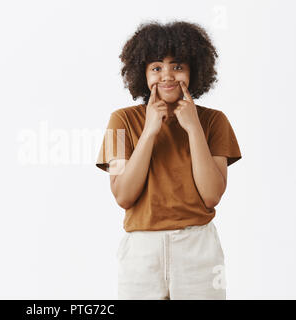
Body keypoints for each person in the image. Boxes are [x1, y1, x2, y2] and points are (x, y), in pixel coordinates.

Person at [95, 20, 242, 300]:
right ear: (142, 73)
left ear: (194, 71)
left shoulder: (215, 121)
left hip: (198, 247)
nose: (167, 76)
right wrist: (150, 130)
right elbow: (123, 195)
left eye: (178, 66)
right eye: (156, 67)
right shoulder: (119, 121)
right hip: (141, 252)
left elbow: (211, 195)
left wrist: (193, 127)